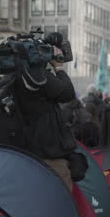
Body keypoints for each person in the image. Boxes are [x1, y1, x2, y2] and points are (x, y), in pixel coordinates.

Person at [13, 45, 79, 191]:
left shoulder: (14, 76)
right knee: (61, 200)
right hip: (48, 153)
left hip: (23, 153)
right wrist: (59, 67)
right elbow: (67, 93)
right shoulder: (37, 75)